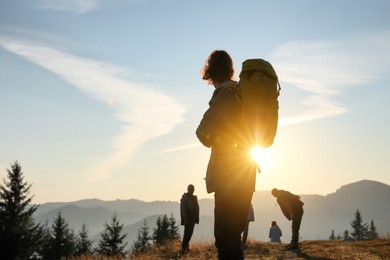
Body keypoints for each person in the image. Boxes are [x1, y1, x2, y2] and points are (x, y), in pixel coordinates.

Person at [197, 50, 257, 259]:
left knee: (225, 238)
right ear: (231, 70)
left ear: (211, 72)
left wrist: (218, 139)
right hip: (247, 172)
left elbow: (202, 132)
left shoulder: (224, 94)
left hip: (228, 176)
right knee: (233, 236)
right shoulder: (243, 93)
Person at [180, 184, 199, 253]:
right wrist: (185, 220)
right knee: (187, 233)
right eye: (191, 189)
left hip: (192, 218)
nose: (192, 190)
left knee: (190, 232)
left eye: (193, 189)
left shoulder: (193, 198)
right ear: (188, 189)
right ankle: (184, 247)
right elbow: (183, 210)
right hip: (188, 218)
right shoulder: (185, 198)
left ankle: (186, 246)